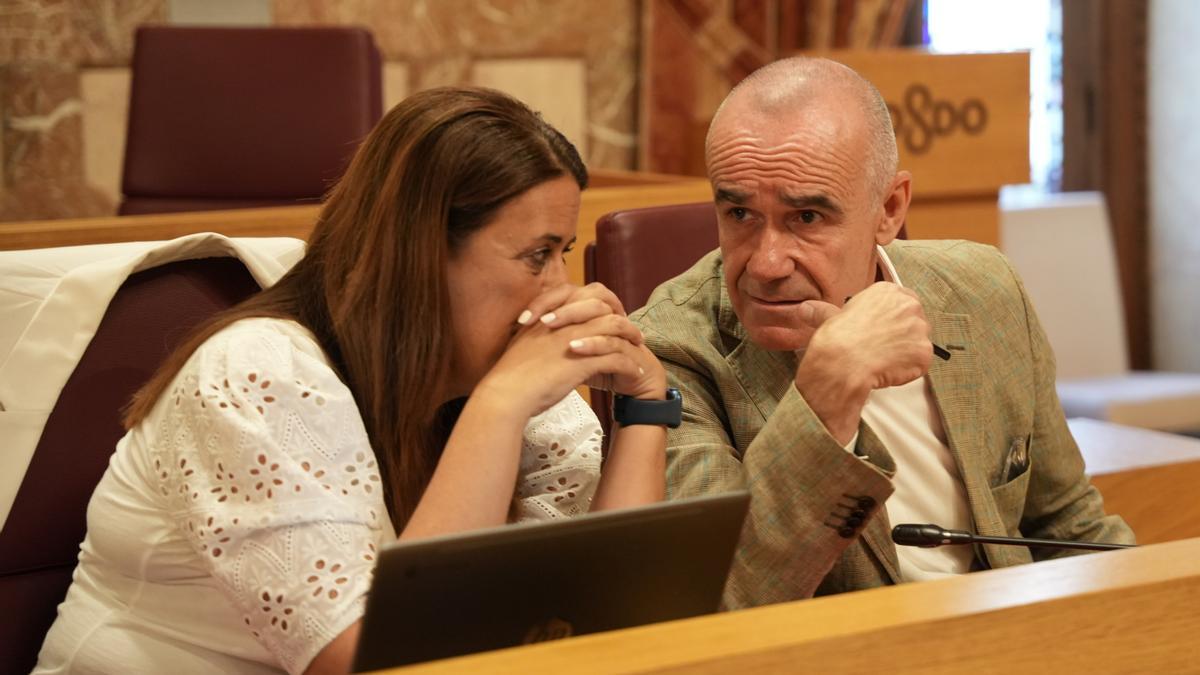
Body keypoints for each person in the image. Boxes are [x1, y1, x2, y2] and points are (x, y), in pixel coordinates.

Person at [35, 87, 669, 675]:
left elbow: (595, 618)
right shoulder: (257, 376)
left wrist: (644, 408)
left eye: (566, 251)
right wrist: (498, 407)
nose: (560, 286)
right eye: (539, 254)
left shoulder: (514, 383)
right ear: (421, 256)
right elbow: (385, 662)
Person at [630, 56, 1134, 609]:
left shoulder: (985, 290)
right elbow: (717, 597)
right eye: (740, 214)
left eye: (807, 218)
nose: (767, 263)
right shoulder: (669, 349)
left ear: (890, 208)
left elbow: (1067, 526)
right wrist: (826, 390)